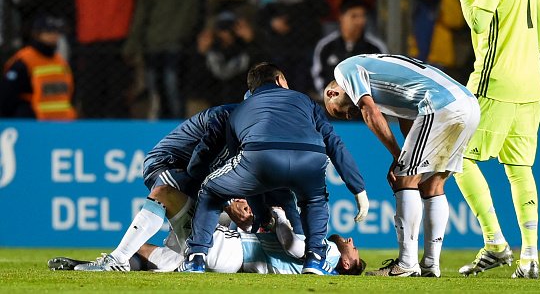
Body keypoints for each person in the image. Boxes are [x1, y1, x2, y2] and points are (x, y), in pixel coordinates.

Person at [181, 62, 369, 275]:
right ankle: (315, 258)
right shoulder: (305, 101)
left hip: (261, 156)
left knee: (211, 188)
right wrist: (358, 188)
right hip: (310, 157)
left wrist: (260, 214)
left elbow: (239, 162)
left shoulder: (240, 109)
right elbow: (334, 143)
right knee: (315, 199)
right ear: (280, 80)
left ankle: (196, 257)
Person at [441, 0, 540, 279]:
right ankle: (530, 257)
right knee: (519, 169)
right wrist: (531, 55)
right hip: (532, 82)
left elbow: (477, 22)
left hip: (496, 81)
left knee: (457, 156)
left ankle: (496, 244)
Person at [73, 102, 302, 272]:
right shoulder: (227, 123)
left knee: (192, 235)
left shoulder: (253, 137)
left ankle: (124, 261)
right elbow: (198, 169)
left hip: (200, 182)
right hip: (170, 166)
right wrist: (230, 203)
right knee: (164, 195)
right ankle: (119, 260)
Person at [324, 53, 480, 278]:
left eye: (341, 111)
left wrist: (399, 158)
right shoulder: (379, 76)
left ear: (332, 93)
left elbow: (369, 111)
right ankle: (430, 265)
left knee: (403, 178)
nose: (350, 116)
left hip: (441, 105)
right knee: (432, 184)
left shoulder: (344, 69)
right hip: (467, 104)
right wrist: (405, 157)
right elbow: (409, 119)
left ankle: (406, 263)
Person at [49, 207, 366, 275]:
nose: (351, 241)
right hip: (231, 259)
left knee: (172, 198)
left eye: (354, 248)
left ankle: (113, 261)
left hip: (231, 247)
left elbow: (295, 247)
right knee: (149, 254)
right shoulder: (324, 269)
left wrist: (281, 218)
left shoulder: (329, 253)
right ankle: (90, 266)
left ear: (348, 261)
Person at [0, 13, 76, 120]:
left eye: (56, 32)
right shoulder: (24, 61)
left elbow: (69, 93)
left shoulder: (60, 61)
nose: (54, 35)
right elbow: (7, 95)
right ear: (37, 34)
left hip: (63, 122)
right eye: (48, 32)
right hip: (33, 122)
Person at [311, 0, 387, 98]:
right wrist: (329, 97)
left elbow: (383, 77)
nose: (359, 21)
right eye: (354, 16)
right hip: (332, 103)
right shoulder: (326, 46)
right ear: (341, 17)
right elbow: (318, 75)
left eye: (363, 16)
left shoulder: (375, 48)